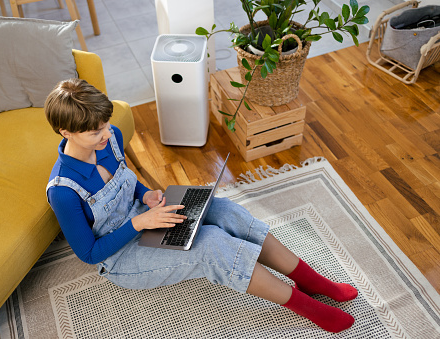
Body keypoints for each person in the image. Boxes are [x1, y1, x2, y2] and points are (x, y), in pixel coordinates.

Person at [44, 78, 358, 333]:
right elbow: (89, 255)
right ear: (66, 132)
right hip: (121, 257)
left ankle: (311, 281)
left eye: (105, 124)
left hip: (148, 215)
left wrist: (145, 196)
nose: (104, 134)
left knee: (224, 211)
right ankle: (309, 308)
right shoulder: (63, 191)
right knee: (211, 244)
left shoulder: (108, 135)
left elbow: (127, 179)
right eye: (94, 131)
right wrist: (140, 223)